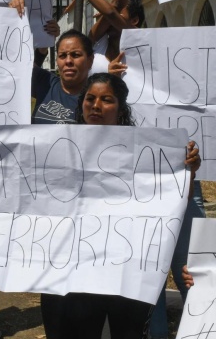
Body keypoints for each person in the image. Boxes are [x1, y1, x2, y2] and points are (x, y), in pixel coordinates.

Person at [40, 72, 201, 339]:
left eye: (106, 100)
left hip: (127, 272)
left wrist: (187, 174)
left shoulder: (147, 151)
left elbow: (173, 205)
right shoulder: (57, 146)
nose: (96, 105)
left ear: (120, 107)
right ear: (81, 104)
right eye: (90, 98)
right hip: (76, 272)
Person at [31, 29, 93, 124]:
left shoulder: (95, 100)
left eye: (75, 55)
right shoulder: (45, 82)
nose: (68, 61)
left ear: (90, 60)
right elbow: (20, 67)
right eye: (62, 56)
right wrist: (45, 38)